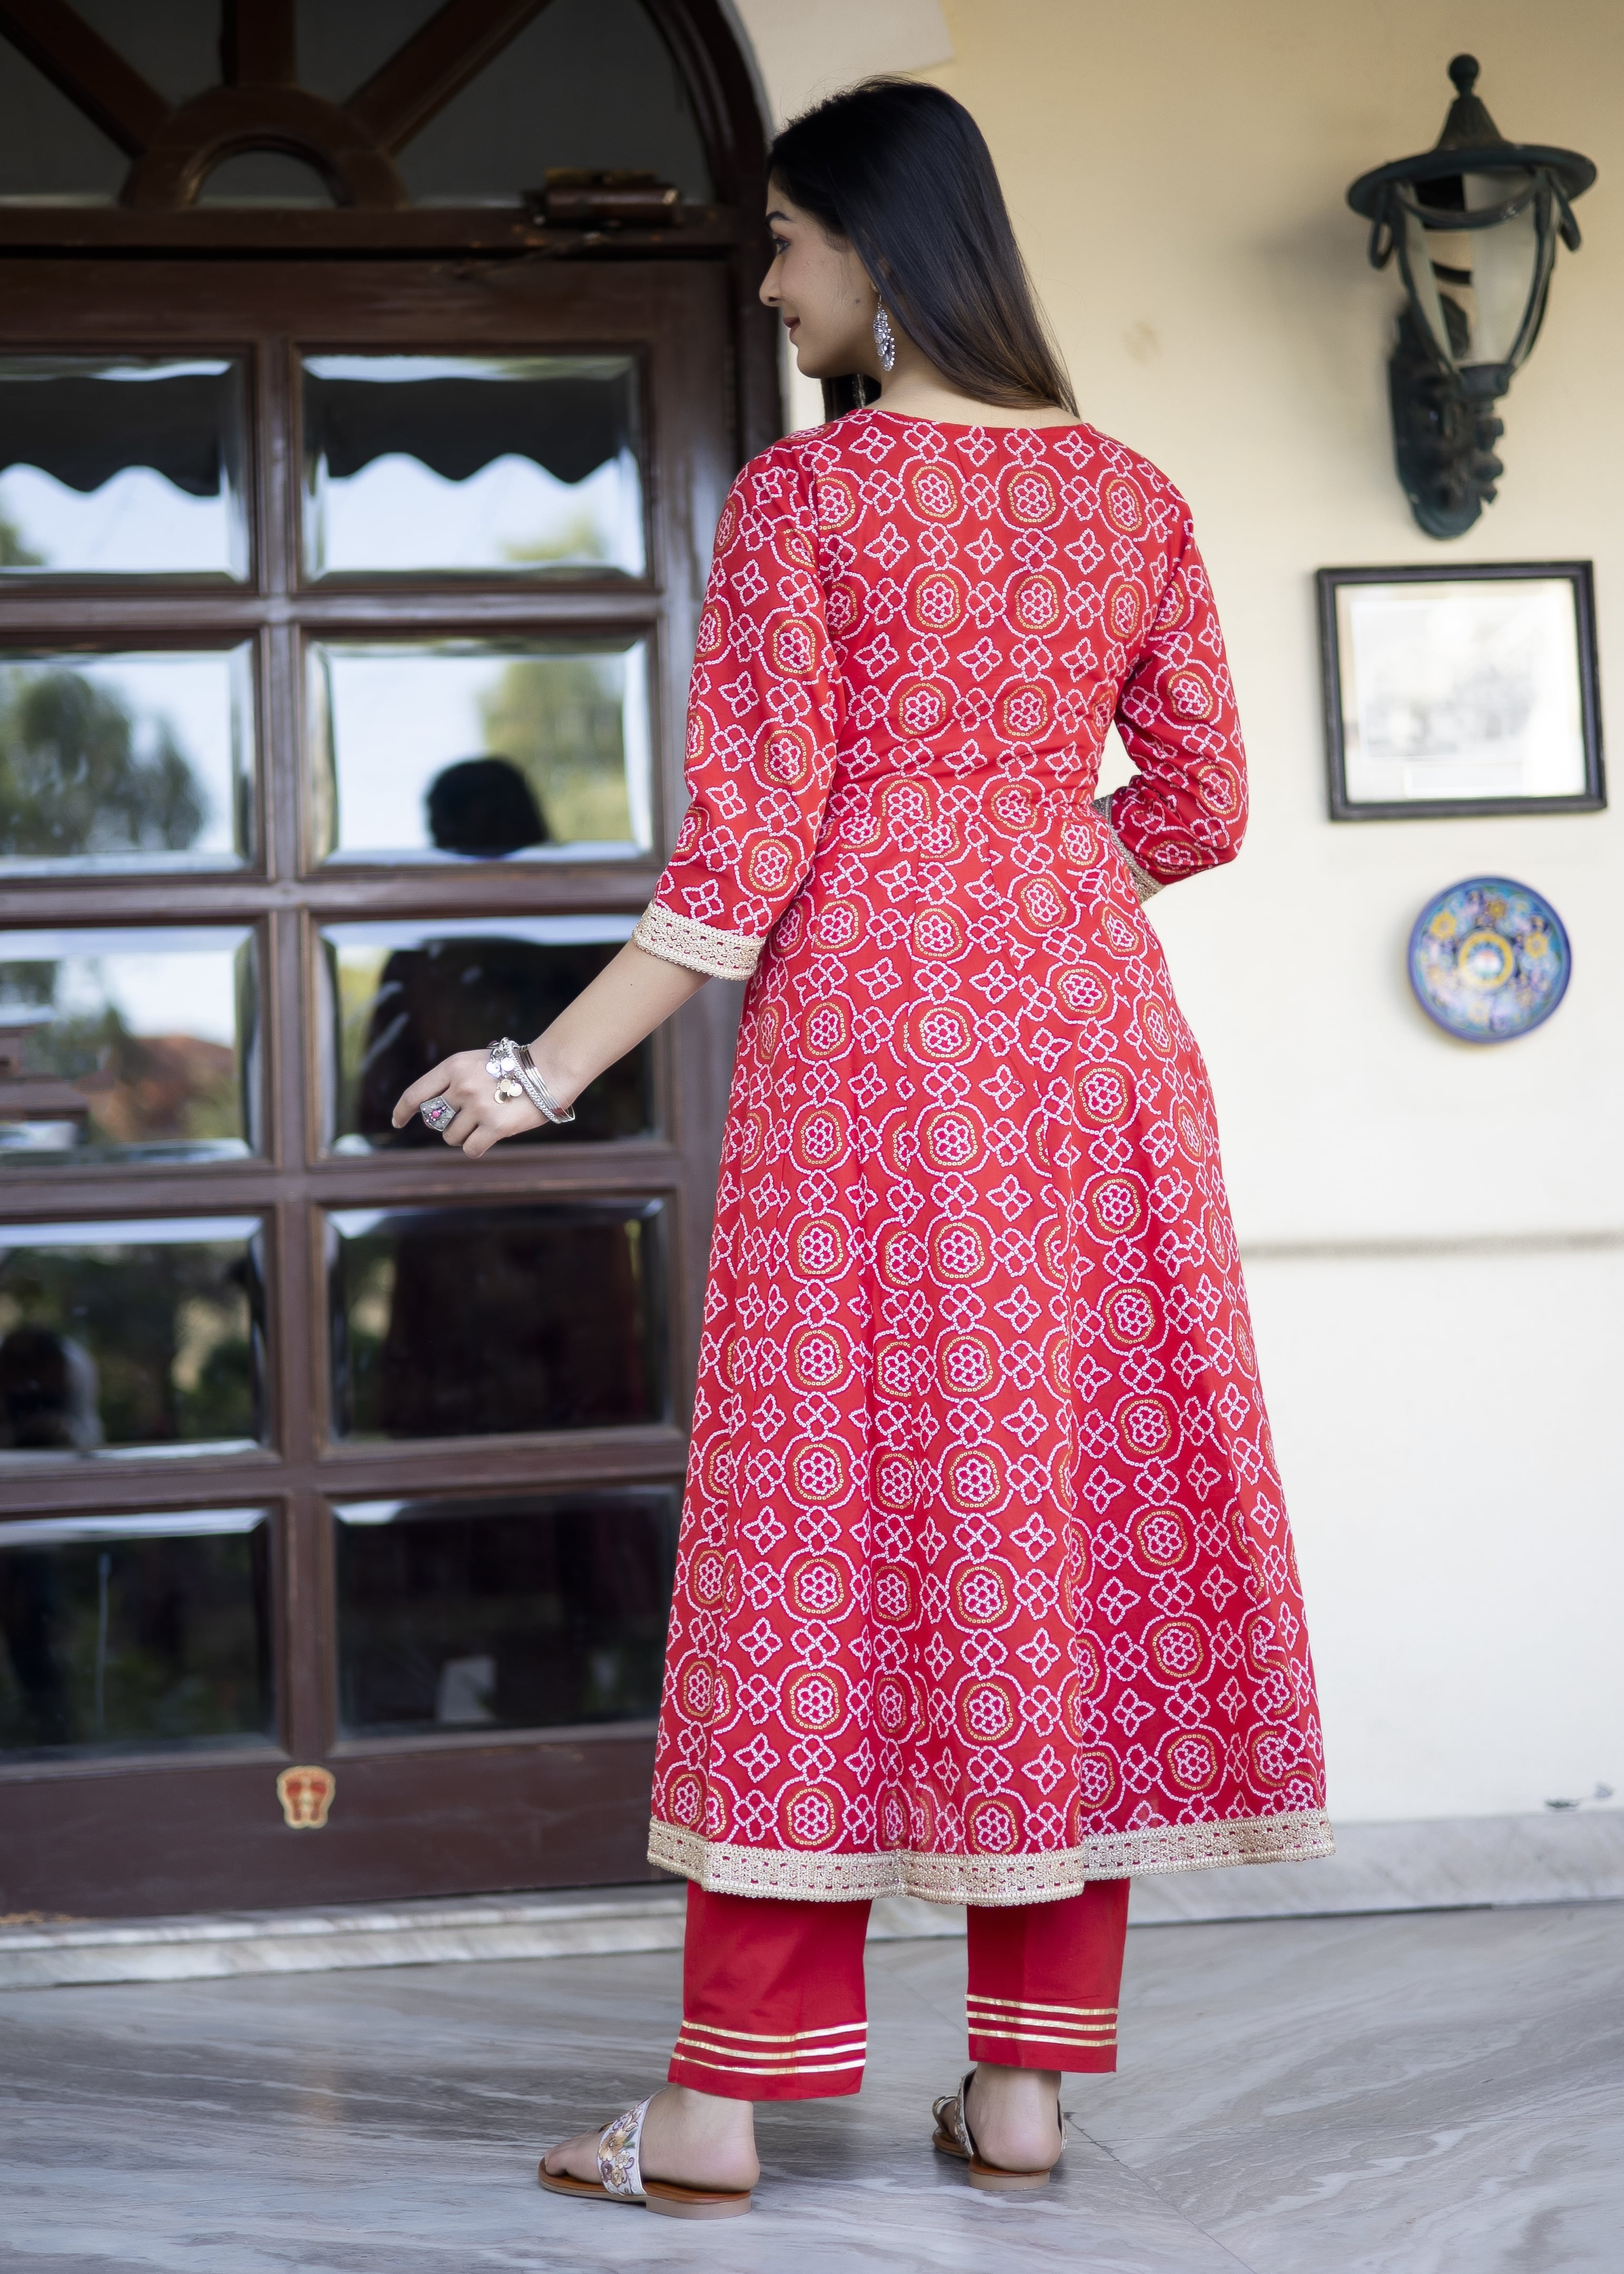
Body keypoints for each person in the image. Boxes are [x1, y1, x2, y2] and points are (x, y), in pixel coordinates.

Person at [394, 76, 1330, 2223]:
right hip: (1093, 1054)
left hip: (875, 1056)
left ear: (880, 255)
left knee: (815, 1530)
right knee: (1064, 1523)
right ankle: (1024, 2092)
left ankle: (723, 2109)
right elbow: (1200, 805)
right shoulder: (1129, 495)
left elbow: (743, 856)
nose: (766, 281)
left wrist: (540, 1065)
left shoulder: (812, 502)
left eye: (786, 240)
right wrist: (1031, 878)